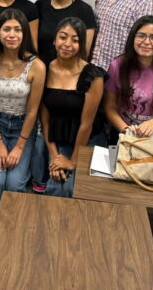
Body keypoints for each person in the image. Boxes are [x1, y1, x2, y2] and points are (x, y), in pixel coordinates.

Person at [31, 0, 96, 192]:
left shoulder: (84, 10)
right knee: (42, 130)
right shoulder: (39, 6)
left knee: (63, 128)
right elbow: (33, 43)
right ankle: (42, 175)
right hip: (45, 75)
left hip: (72, 79)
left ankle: (58, 167)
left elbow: (84, 49)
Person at [0, 9, 45, 230]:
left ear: (24, 33)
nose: (12, 34)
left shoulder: (36, 66)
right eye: (6, 29)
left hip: (23, 128)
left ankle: (12, 224)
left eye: (17, 29)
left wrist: (19, 147)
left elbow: (33, 111)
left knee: (15, 184)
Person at [41, 17, 105, 198]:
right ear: (54, 40)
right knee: (57, 187)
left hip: (88, 139)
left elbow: (86, 125)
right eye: (63, 37)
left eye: (75, 40)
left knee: (75, 189)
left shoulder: (93, 76)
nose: (68, 44)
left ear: (82, 45)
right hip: (58, 138)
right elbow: (45, 122)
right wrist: (55, 157)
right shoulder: (44, 69)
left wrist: (73, 161)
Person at [36, 0, 96, 64]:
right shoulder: (39, 5)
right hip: (41, 68)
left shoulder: (84, 10)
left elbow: (84, 52)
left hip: (70, 70)